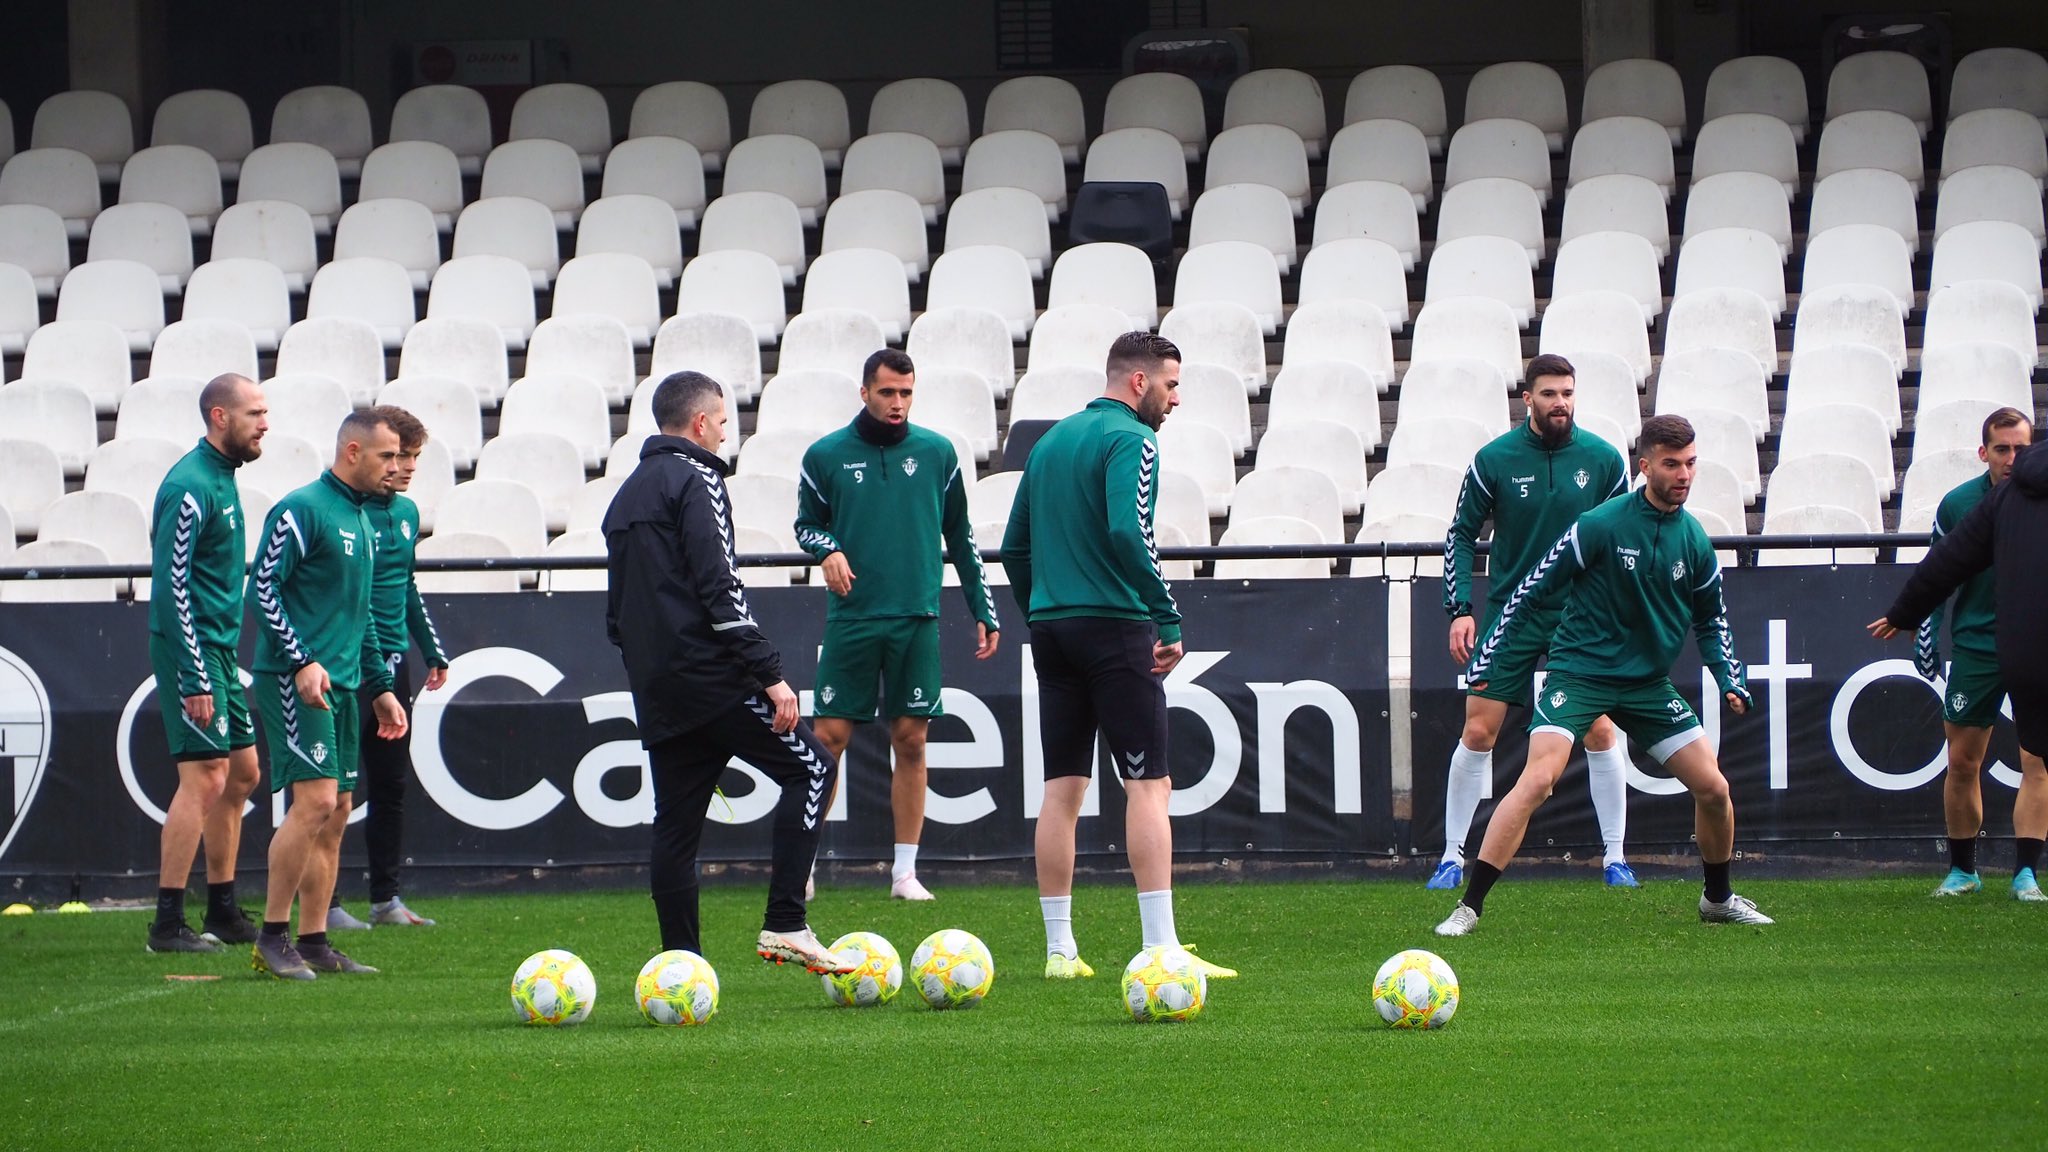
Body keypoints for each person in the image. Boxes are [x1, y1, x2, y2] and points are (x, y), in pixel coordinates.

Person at [1435, 414, 1772, 937]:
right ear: (1645, 467)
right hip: (1580, 673)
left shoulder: (1695, 542)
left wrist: (1729, 678)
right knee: (1538, 779)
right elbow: (1534, 587)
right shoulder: (1600, 524)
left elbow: (1712, 621)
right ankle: (1469, 906)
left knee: (1714, 788)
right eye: (1672, 464)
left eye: (1690, 464)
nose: (1684, 475)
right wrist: (1489, 652)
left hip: (1645, 684)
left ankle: (1718, 899)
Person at [1000, 332, 1235, 982]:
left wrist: (1040, 608)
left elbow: (1014, 547)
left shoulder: (1049, 442)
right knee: (1150, 785)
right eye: (1171, 384)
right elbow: (1128, 530)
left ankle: (1059, 952)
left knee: (1062, 788)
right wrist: (1167, 615)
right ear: (1139, 382)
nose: (1175, 399)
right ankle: (1161, 947)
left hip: (1052, 629)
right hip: (1114, 626)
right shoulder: (1133, 439)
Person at [603, 371, 854, 974]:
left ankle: (681, 966)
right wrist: (769, 674)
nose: (724, 433)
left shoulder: (624, 497)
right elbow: (722, 590)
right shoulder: (698, 479)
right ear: (699, 423)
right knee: (813, 768)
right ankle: (787, 922)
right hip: (714, 679)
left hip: (658, 689)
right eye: (721, 421)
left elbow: (616, 618)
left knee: (676, 827)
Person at [795, 349, 1001, 901]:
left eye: (906, 393)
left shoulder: (937, 452)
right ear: (865, 392)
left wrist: (983, 608)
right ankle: (802, 865)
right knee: (827, 741)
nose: (898, 403)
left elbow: (961, 536)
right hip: (853, 618)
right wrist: (827, 549)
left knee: (911, 741)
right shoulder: (825, 455)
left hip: (916, 618)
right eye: (887, 392)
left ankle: (904, 873)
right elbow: (806, 526)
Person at [1435, 354, 1635, 891]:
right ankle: (1451, 857)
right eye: (1549, 394)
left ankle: (1615, 858)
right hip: (1511, 613)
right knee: (1479, 730)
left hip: (1579, 616)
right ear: (1527, 399)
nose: (1560, 403)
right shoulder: (1494, 459)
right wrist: (1460, 609)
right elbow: (1460, 534)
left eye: (1567, 393)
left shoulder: (1604, 459)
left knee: (1599, 728)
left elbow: (1625, 537)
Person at [247, 409, 410, 979]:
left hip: (341, 684)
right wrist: (301, 660)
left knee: (337, 810)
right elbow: (263, 587)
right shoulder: (303, 508)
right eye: (387, 456)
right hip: (294, 679)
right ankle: (271, 937)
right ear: (352, 452)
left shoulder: (362, 520)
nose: (396, 467)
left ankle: (314, 940)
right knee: (315, 802)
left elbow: (361, 616)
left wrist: (380, 687)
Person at [1871, 422, 2048, 904]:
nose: (2012, 458)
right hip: (1978, 642)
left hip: (2033, 644)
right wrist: (1920, 621)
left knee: (2036, 759)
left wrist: (1908, 610)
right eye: (2002, 448)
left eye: (2020, 448)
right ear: (1983, 452)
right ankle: (1963, 870)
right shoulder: (1961, 503)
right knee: (1962, 759)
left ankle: (2026, 874)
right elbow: (1945, 561)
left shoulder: (2023, 496)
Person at [145, 374, 268, 953]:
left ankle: (221, 910)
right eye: (254, 413)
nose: (265, 424)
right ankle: (167, 925)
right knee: (206, 777)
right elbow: (170, 586)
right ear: (220, 417)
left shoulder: (222, 477)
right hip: (190, 649)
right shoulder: (190, 484)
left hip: (217, 647)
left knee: (242, 774)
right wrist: (195, 673)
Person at [329, 408, 450, 931]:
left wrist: (431, 649)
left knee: (390, 784)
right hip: (346, 663)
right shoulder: (343, 512)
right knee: (332, 791)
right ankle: (326, 905)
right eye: (399, 456)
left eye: (414, 457)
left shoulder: (406, 514)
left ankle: (385, 899)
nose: (407, 467)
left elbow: (406, 586)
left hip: (393, 665)